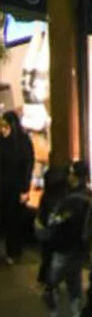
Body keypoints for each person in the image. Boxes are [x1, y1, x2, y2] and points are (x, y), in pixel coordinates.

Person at [40, 160, 92, 317]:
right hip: (79, 251)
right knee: (74, 289)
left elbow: (56, 225)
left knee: (48, 289)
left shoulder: (70, 201)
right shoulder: (88, 196)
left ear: (76, 176)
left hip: (63, 251)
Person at [0, 110, 33, 265]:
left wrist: (25, 188)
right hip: (5, 188)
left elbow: (27, 165)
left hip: (14, 188)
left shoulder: (22, 141)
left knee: (13, 221)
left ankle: (14, 252)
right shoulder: (5, 140)